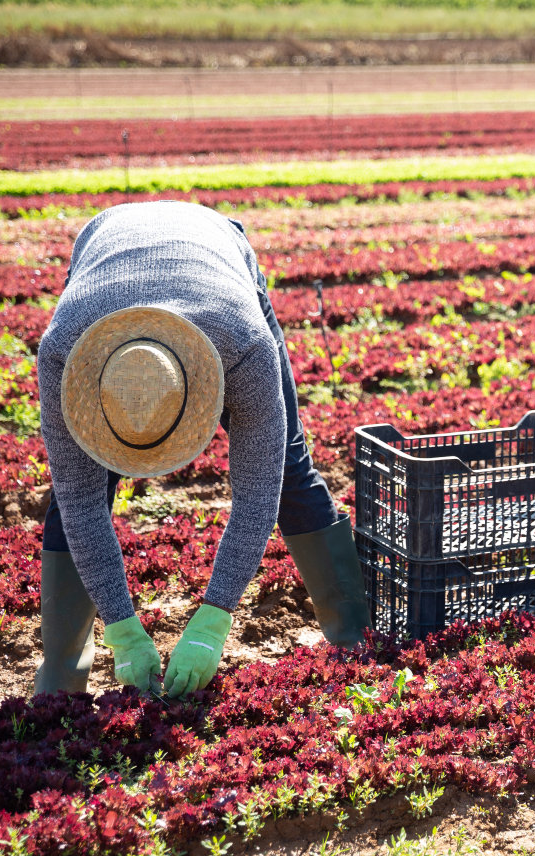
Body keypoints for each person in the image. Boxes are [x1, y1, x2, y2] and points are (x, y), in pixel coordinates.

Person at [36, 201, 369, 698]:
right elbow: (80, 503)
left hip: (217, 255)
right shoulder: (65, 353)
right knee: (82, 489)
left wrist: (214, 618)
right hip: (103, 252)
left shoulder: (244, 349)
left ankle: (355, 640)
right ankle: (61, 681)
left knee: (288, 466)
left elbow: (260, 490)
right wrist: (122, 628)